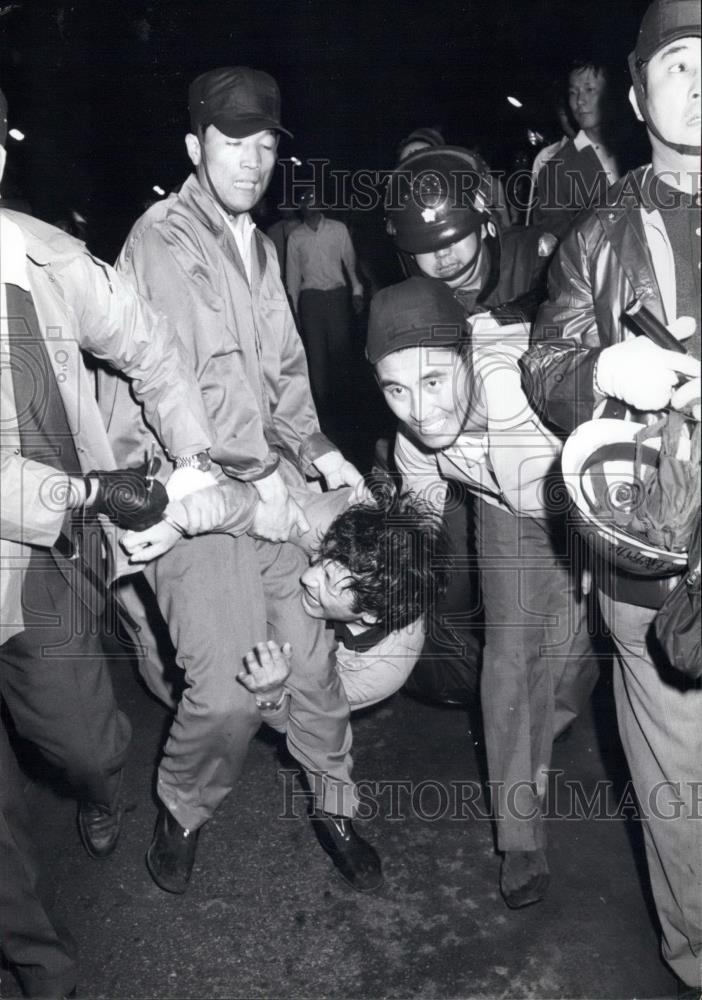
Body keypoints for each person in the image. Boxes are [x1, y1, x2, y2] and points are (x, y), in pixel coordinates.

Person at [97, 66, 382, 896]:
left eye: (265, 145)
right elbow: (195, 396)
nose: (254, 162)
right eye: (234, 143)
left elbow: (284, 371)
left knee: (310, 667)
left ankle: (335, 804)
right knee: (226, 692)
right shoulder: (164, 239)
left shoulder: (254, 243)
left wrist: (321, 452)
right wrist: (262, 493)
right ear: (196, 147)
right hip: (185, 495)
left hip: (265, 485)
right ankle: (184, 808)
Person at [0, 86, 215, 995]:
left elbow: (151, 346)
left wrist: (192, 458)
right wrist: (91, 491)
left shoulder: (46, 258)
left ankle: (97, 786)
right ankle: (40, 966)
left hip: (46, 561)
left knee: (83, 744)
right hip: (44, 513)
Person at [522, 1, 701, 990]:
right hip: (655, 558)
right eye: (677, 64)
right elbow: (544, 363)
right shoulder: (595, 236)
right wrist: (601, 371)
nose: (700, 81)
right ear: (637, 97)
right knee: (681, 787)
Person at [365, 275, 598, 909]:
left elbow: (594, 462)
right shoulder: (414, 439)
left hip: (585, 499)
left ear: (467, 358)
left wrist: (596, 551)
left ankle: (542, 737)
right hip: (504, 509)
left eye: (433, 381)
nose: (419, 409)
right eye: (395, 389)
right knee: (510, 655)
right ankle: (520, 832)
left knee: (576, 652)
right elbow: (419, 527)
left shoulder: (518, 388)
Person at [237, 493, 448, 723]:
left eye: (328, 580)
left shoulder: (377, 674)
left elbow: (302, 721)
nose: (307, 577)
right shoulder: (329, 525)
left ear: (370, 615)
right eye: (320, 558)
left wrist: (270, 694)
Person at [285, 187, 364, 422]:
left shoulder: (338, 229)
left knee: (340, 351)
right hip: (311, 300)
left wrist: (357, 290)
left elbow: (350, 262)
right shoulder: (295, 237)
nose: (310, 203)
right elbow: (292, 277)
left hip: (337, 296)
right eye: (304, 200)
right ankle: (322, 410)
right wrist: (294, 312)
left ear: (320, 203)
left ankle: (345, 404)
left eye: (313, 199)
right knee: (316, 355)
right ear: (300, 207)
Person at [531, 58, 620, 240]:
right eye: (573, 92)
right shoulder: (555, 171)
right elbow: (552, 240)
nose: (580, 101)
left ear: (610, 93)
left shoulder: (637, 149)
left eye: (589, 89)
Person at [265, 205, 300, 286]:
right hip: (280, 278)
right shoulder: (273, 230)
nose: (285, 208)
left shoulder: (305, 227)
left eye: (288, 205)